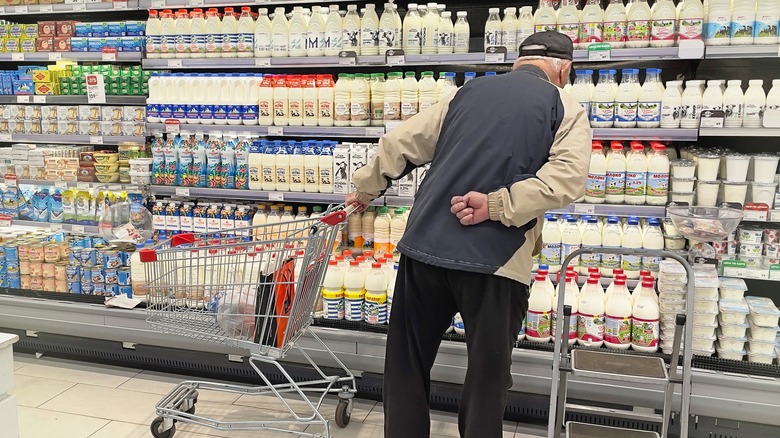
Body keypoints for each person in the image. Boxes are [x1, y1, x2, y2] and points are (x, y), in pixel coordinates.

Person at [347, 31, 592, 438]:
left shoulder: (466, 92)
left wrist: (365, 189)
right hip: (496, 260)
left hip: (424, 247)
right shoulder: (565, 106)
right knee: (486, 378)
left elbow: (399, 143)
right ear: (564, 68)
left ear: (518, 61)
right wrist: (498, 205)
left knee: (406, 365)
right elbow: (567, 179)